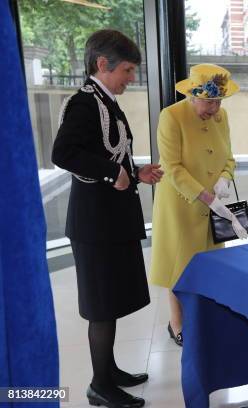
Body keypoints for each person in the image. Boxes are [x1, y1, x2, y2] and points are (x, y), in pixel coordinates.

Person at [52, 29, 163, 408]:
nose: (131, 78)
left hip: (110, 222)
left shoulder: (105, 100)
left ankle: (109, 370)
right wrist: (109, 173)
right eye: (128, 70)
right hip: (95, 225)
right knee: (101, 307)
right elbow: (63, 153)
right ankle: (99, 386)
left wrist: (135, 172)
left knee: (112, 301)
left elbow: (111, 150)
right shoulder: (84, 103)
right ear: (103, 64)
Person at [150, 64, 246, 347]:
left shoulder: (221, 116)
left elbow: (229, 157)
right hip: (181, 204)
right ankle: (176, 323)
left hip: (215, 205)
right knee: (179, 267)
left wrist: (225, 180)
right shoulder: (171, 116)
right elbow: (172, 167)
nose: (214, 108)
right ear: (192, 95)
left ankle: (204, 320)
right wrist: (206, 196)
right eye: (209, 101)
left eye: (218, 101)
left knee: (211, 266)